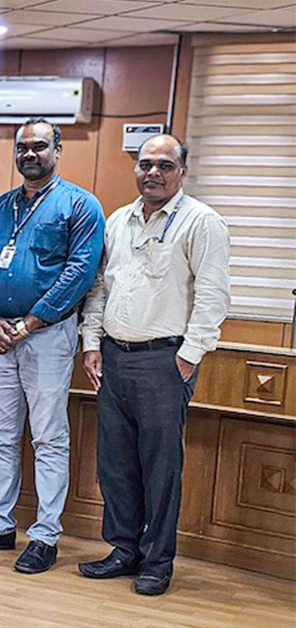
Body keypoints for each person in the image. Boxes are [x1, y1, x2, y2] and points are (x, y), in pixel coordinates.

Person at [78, 134, 230, 596]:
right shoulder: (119, 220)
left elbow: (213, 296)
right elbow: (99, 286)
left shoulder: (201, 223)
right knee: (116, 464)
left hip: (165, 361)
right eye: (146, 164)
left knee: (161, 468)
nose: (153, 173)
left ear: (182, 171)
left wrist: (188, 357)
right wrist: (91, 342)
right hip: (114, 359)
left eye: (165, 165)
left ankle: (157, 561)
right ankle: (123, 549)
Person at [0, 117, 104, 574]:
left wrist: (31, 321)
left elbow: (80, 271)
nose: (30, 154)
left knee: (48, 437)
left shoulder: (80, 205)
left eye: (39, 146)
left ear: (57, 150)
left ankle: (44, 536)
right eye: (23, 148)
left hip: (47, 336)